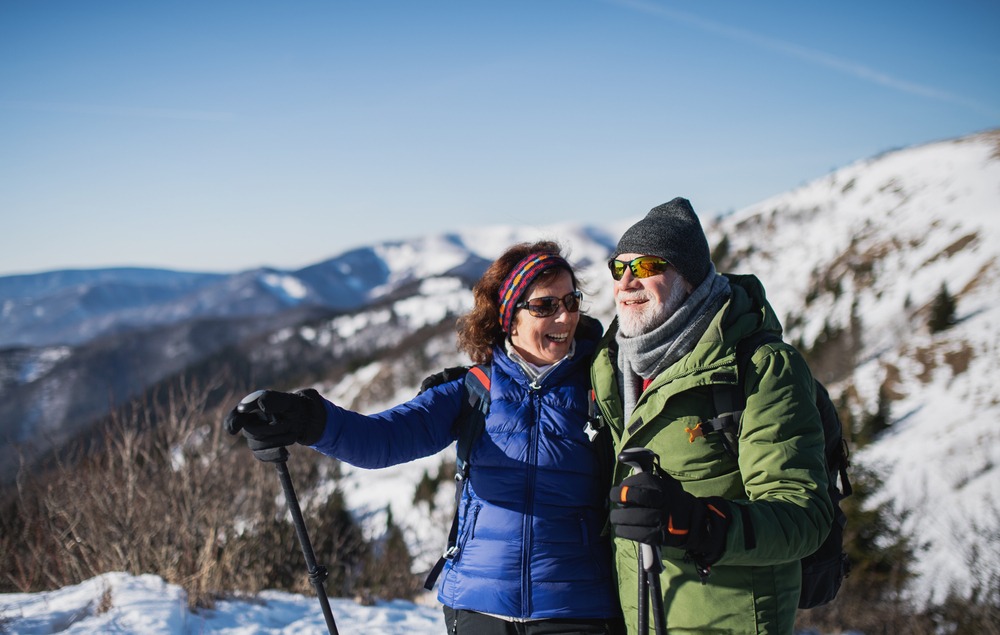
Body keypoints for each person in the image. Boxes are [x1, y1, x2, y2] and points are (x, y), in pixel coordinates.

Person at [225, 240, 624, 635]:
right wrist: (305, 418)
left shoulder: (603, 387)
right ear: (510, 316)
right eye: (544, 305)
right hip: (477, 607)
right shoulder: (474, 389)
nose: (564, 317)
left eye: (571, 302)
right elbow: (382, 440)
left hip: (575, 607)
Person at [589, 198, 834, 635]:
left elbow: (804, 515)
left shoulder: (759, 366)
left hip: (729, 622)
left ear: (690, 277)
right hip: (640, 616)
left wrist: (701, 525)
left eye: (646, 267)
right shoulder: (614, 365)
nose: (627, 281)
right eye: (618, 267)